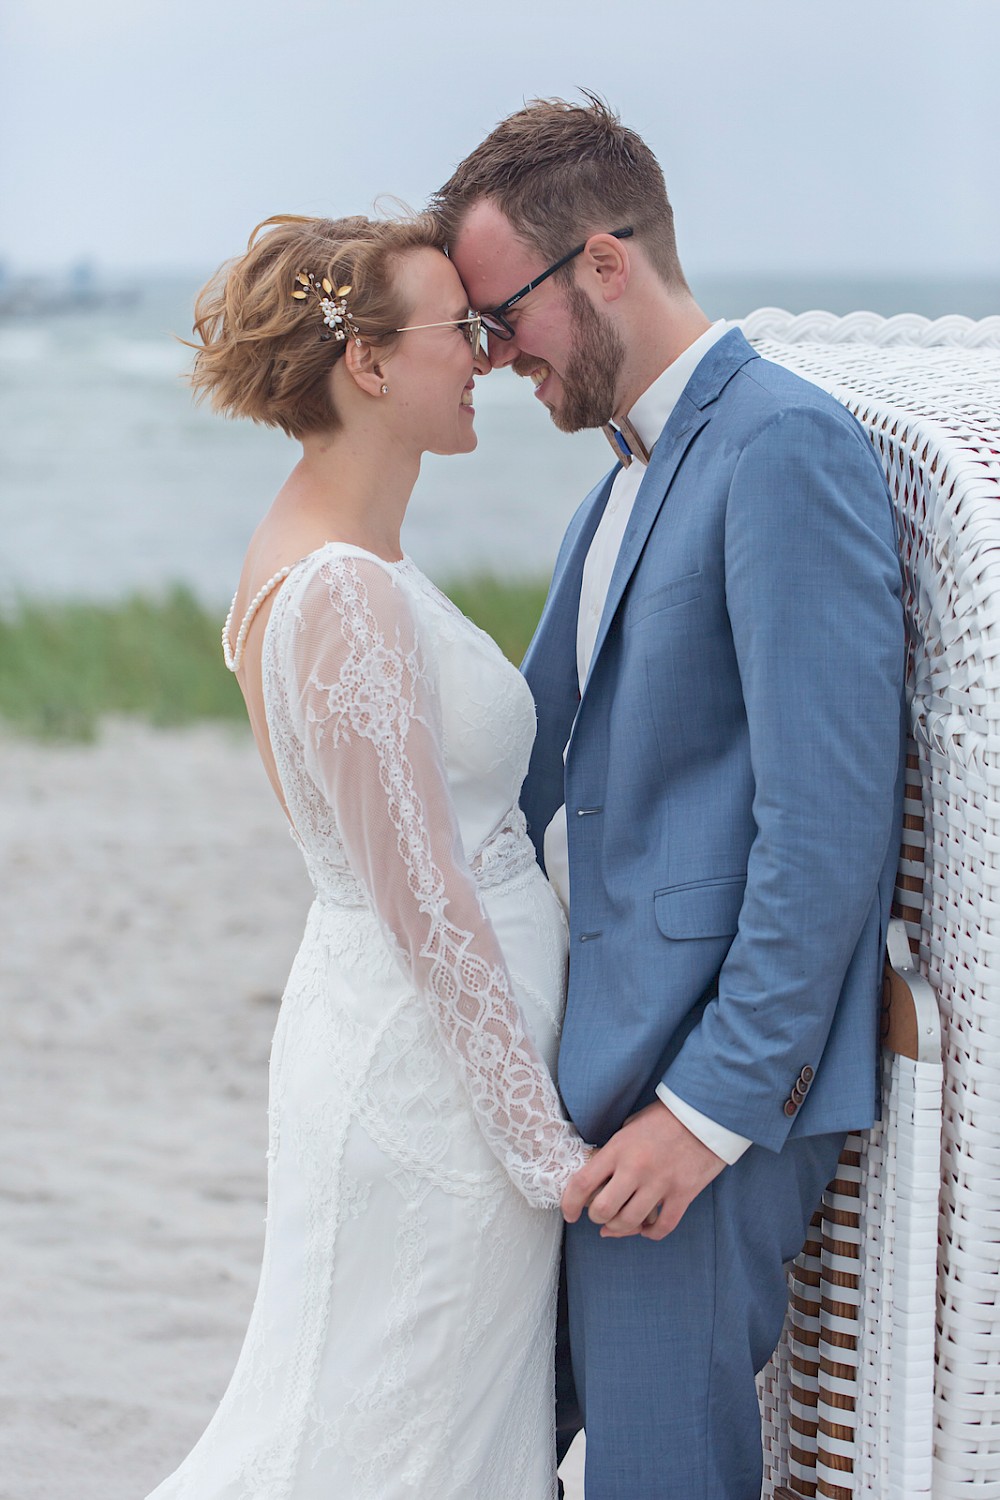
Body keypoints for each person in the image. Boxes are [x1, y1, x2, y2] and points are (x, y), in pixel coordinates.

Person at [436, 95, 906, 1500]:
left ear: (602, 260)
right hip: (600, 1065)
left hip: (695, 1103)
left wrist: (706, 1110)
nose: (493, 351)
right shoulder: (629, 468)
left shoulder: (782, 450)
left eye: (498, 311)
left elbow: (827, 822)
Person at [144, 212, 589, 1500]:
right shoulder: (340, 587)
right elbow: (423, 896)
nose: (489, 353)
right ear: (371, 365)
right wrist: (543, 1151)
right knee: (383, 1443)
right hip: (435, 1090)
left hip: (420, 1056)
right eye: (461, 327)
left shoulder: (349, 561)